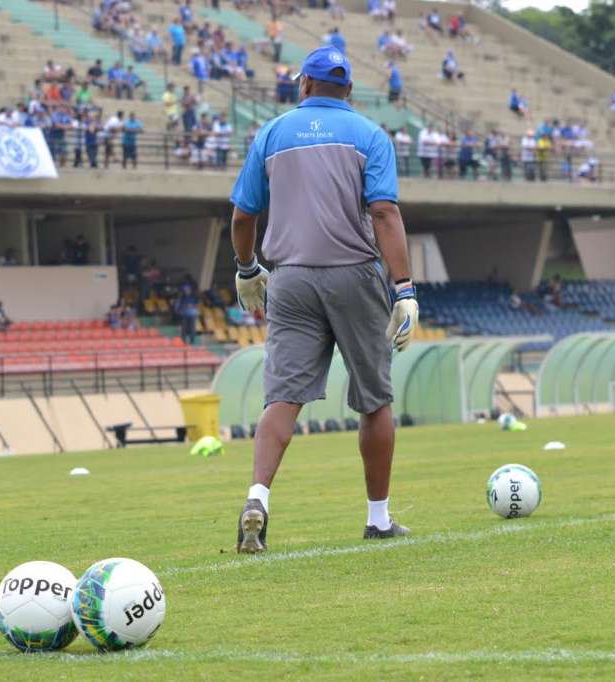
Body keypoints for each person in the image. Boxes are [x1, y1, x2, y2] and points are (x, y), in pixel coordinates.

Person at [228, 46, 417, 554]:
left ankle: (258, 499)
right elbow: (384, 215)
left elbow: (244, 217)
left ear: (304, 86)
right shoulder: (370, 135)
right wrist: (404, 288)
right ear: (349, 91)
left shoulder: (271, 134)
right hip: (355, 277)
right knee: (375, 400)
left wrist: (247, 268)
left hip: (289, 281)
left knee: (282, 398)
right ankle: (378, 519)